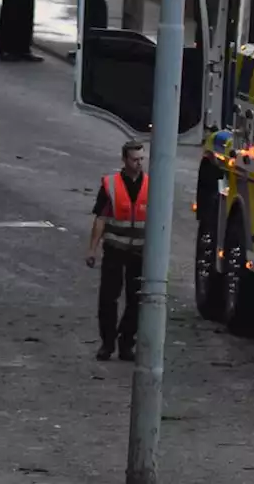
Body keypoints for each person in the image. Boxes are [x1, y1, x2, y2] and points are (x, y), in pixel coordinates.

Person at [86, 140, 148, 362]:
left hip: (140, 253)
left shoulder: (151, 184)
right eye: (134, 159)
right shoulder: (110, 185)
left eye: (141, 159)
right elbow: (101, 219)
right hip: (114, 248)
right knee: (108, 298)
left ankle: (126, 342)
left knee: (137, 300)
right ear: (124, 160)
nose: (139, 163)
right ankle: (108, 343)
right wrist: (92, 249)